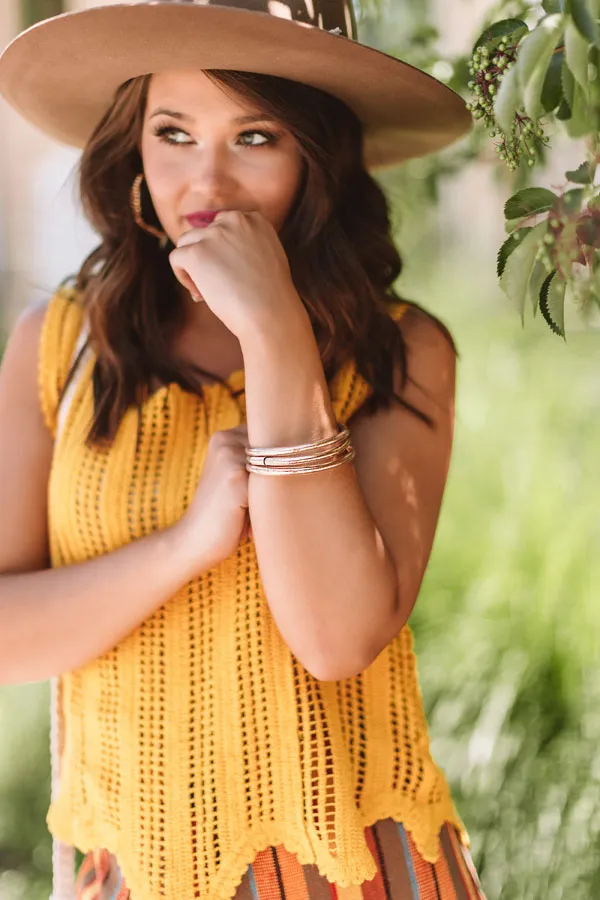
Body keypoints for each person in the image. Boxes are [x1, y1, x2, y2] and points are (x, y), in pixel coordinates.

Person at [0, 2, 485, 899]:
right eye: (173, 132)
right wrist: (183, 548)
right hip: (126, 872)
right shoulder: (58, 345)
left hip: (352, 870)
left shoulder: (401, 351)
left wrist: (275, 332)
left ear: (315, 155)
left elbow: (337, 639)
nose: (206, 180)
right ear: (132, 150)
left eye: (255, 136)